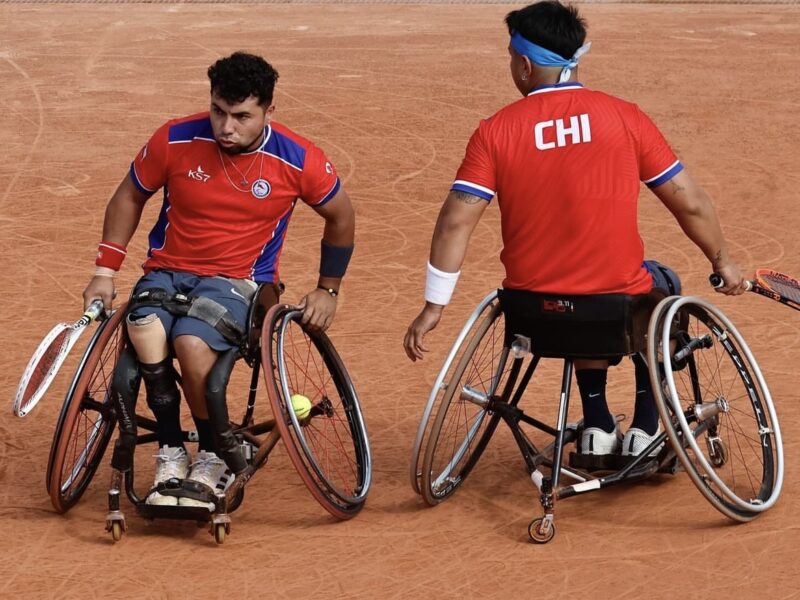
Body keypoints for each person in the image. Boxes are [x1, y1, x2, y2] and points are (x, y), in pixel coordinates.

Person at [403, 1, 746, 460]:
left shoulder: (495, 131)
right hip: (612, 308)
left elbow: (454, 220)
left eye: (511, 56)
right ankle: (646, 427)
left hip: (532, 315)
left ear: (524, 64)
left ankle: (598, 424)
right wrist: (721, 260)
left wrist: (433, 305)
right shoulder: (624, 117)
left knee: (580, 294)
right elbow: (691, 202)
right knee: (660, 286)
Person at [83, 52, 355, 508]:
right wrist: (104, 271)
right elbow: (130, 194)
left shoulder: (298, 158)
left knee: (190, 344)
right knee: (144, 330)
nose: (226, 127)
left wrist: (328, 289)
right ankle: (171, 450)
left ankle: (212, 452)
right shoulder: (174, 138)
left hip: (240, 281)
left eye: (242, 116)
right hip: (167, 272)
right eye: (218, 112)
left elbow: (341, 216)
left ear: (270, 110)